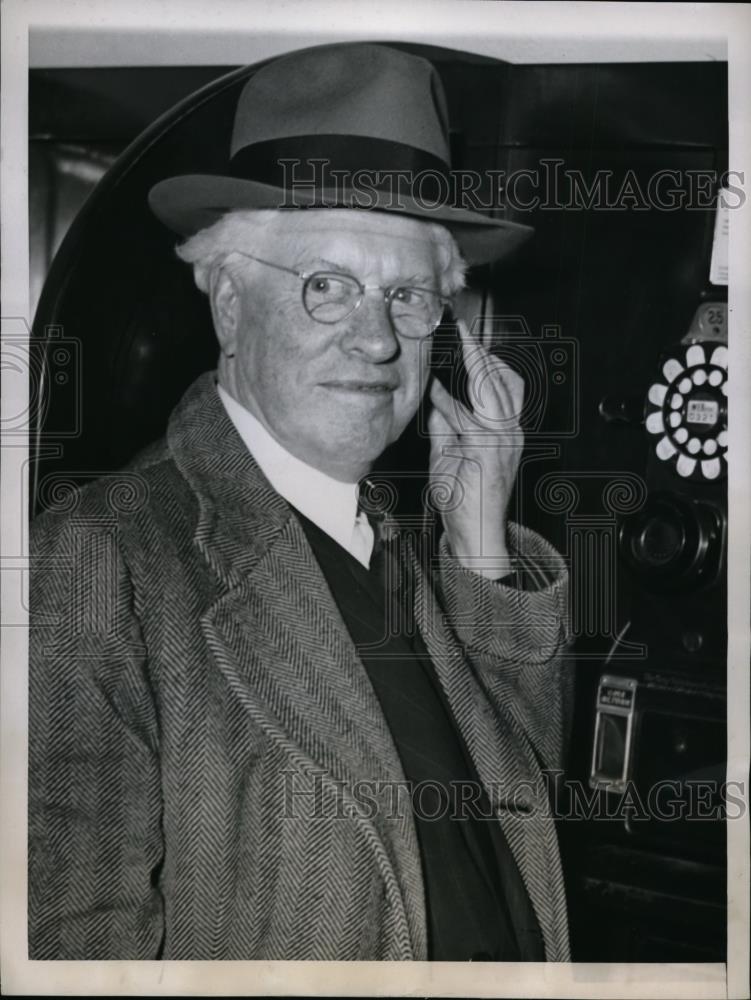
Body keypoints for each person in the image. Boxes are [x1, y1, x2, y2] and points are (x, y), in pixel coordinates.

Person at [29, 42, 573, 961]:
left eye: (407, 296)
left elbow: (514, 821)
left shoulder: (396, 542)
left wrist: (480, 536)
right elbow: (71, 949)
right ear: (231, 303)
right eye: (329, 286)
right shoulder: (103, 556)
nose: (376, 339)